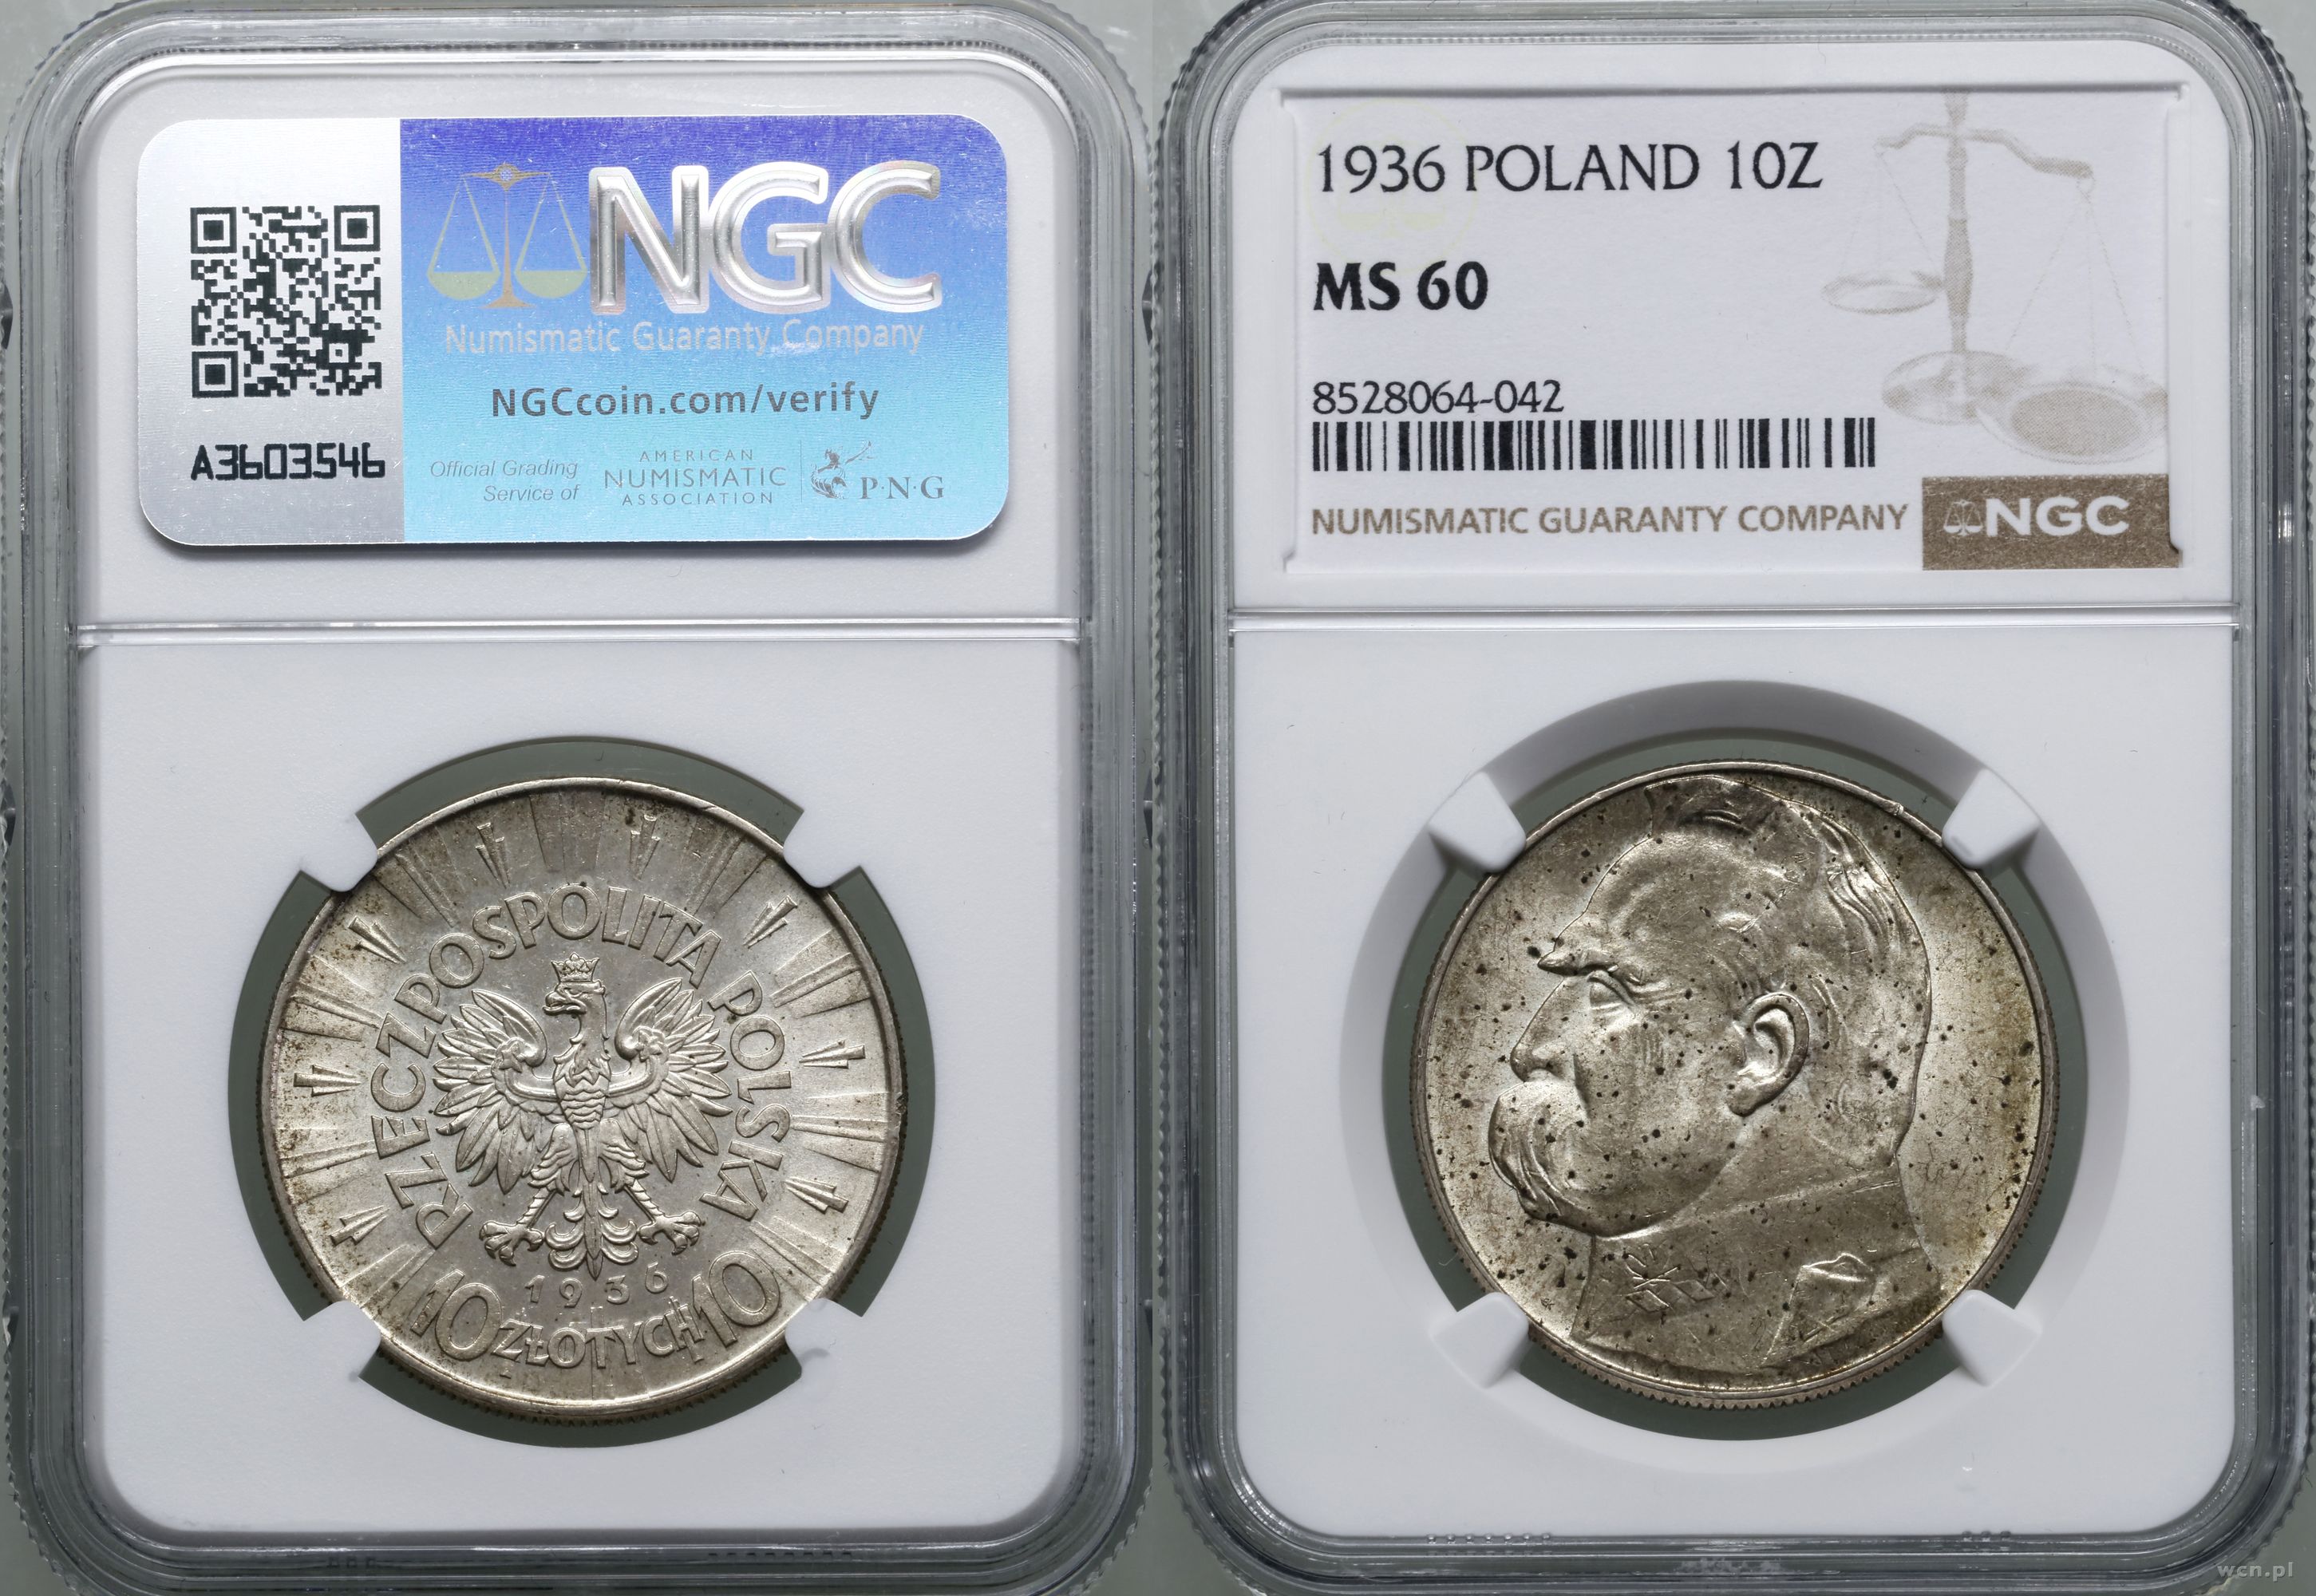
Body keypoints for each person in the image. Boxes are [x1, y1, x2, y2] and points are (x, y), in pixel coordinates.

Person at [1485, 771, 1940, 1377]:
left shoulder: (1842, 1318)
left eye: (1606, 994)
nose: (1530, 1050)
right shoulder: (1648, 1317)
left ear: (1763, 1056)